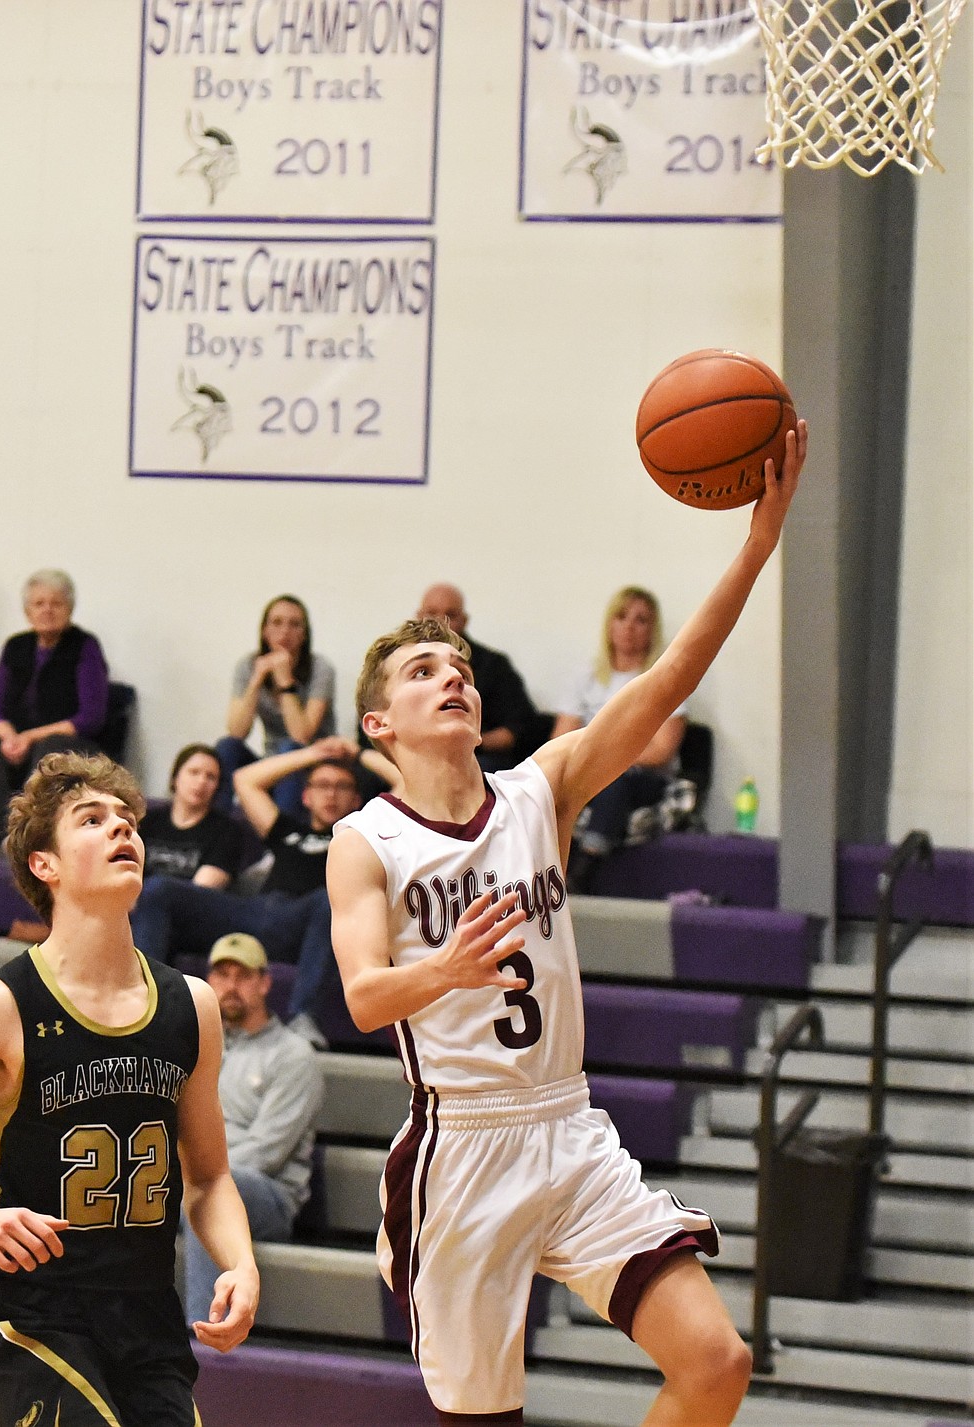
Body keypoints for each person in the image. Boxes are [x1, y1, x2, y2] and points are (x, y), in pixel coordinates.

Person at [327, 425, 805, 1425]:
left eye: (455, 665)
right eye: (420, 670)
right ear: (380, 722)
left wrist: (758, 544)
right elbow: (366, 995)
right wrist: (449, 967)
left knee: (716, 1361)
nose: (449, 676)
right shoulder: (367, 839)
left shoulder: (541, 788)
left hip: (570, 1127)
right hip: (462, 1146)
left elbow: (665, 680)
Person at [0, 750, 258, 1425]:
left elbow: (208, 1178)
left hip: (147, 1316)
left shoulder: (195, 1005)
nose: (123, 829)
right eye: (92, 820)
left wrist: (239, 1262)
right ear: (46, 863)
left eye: (128, 819)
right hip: (30, 1315)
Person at [131, 738, 366, 1048]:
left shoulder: (363, 837)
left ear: (357, 800)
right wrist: (315, 753)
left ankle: (302, 1016)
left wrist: (360, 753)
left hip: (302, 920)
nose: (332, 794)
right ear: (306, 796)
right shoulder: (286, 829)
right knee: (160, 889)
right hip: (251, 911)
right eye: (322, 785)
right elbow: (245, 780)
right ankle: (143, 1006)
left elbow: (401, 784)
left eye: (342, 787)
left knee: (329, 899)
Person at [183, 931, 324, 1322]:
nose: (231, 986)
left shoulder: (294, 1056)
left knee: (213, 1193)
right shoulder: (198, 1046)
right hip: (192, 1180)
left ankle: (206, 1349)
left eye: (243, 976)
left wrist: (197, 1176)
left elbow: (267, 1152)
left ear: (264, 983)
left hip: (268, 1196)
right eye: (222, 974)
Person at [552, 586, 688, 885]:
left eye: (641, 620)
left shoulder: (666, 679)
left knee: (615, 778)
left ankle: (586, 865)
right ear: (609, 624)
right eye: (621, 616)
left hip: (641, 777)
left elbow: (661, 751)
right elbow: (560, 741)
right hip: (589, 769)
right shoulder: (584, 676)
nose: (629, 627)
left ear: (653, 630)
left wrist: (605, 757)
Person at [0, 569, 109, 850]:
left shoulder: (85, 646)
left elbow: (90, 717)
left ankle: (30, 836)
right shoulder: (15, 646)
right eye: (39, 604)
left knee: (51, 748)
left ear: (69, 609)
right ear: (27, 611)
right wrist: (9, 736)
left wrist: (29, 737)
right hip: (20, 744)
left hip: (71, 744)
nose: (47, 610)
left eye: (56, 604)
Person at [216, 595, 336, 815]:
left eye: (294, 624)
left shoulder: (321, 669)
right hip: (268, 760)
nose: (285, 632)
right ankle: (216, 830)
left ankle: (284, 838)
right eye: (277, 622)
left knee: (289, 748)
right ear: (264, 630)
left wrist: (284, 681)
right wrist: (256, 681)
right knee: (227, 747)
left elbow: (301, 735)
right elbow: (236, 731)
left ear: (304, 634)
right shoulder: (248, 665)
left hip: (312, 758)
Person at [417, 584, 541, 773]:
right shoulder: (398, 664)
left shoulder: (494, 666)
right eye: (432, 614)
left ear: (464, 620)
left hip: (477, 756)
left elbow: (518, 729)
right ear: (419, 617)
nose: (441, 623)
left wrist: (469, 743)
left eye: (450, 615)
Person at [140, 744, 246, 890]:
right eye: (194, 772)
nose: (202, 781)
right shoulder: (148, 821)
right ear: (175, 778)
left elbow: (199, 891)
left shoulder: (227, 831)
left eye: (211, 777)